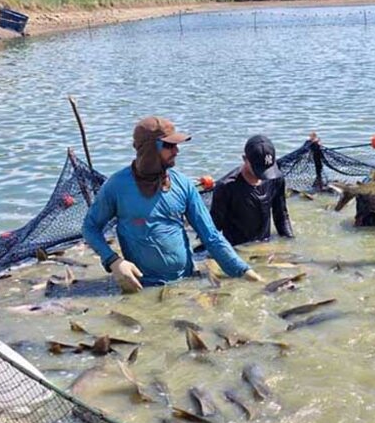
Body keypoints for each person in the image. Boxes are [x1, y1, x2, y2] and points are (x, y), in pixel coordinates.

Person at [83, 116, 262, 292]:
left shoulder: (183, 185)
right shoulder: (117, 186)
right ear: (150, 149)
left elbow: (212, 237)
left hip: (187, 283)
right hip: (142, 286)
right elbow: (90, 227)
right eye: (169, 145)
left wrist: (246, 272)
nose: (177, 151)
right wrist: (113, 261)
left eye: (176, 145)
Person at [209, 134, 294, 246]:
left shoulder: (275, 179)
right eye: (259, 169)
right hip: (238, 248)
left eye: (267, 170)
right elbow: (213, 229)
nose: (264, 175)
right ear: (245, 159)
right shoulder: (226, 187)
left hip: (264, 244)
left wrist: (290, 244)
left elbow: (281, 216)